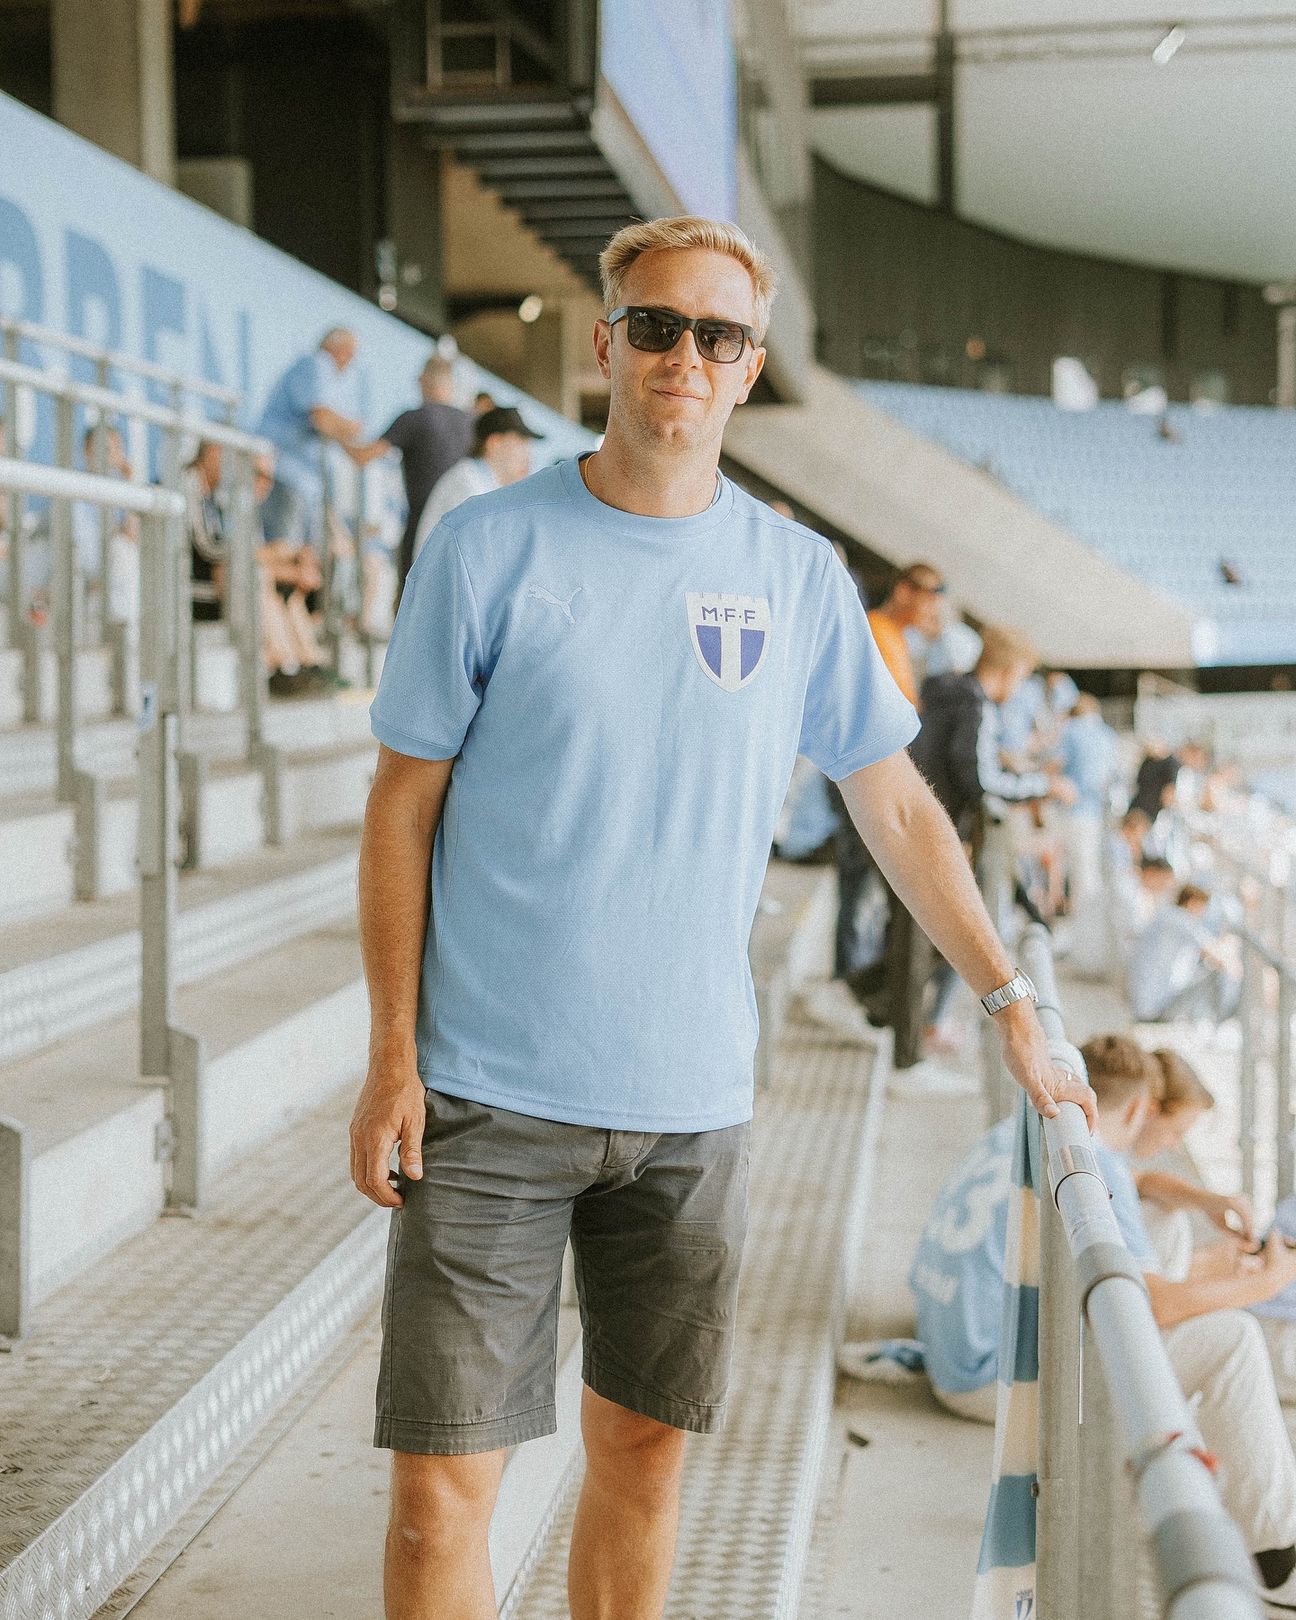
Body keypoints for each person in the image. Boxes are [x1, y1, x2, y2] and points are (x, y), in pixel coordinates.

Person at [349, 213, 1092, 1620]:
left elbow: (899, 808)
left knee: (643, 1457)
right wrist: (392, 1051)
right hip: (483, 1097)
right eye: (656, 325)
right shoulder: (489, 548)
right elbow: (401, 807)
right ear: (606, 343)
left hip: (690, 1108)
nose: (683, 355)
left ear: (750, 367)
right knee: (440, 1499)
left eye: (718, 335)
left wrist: (1011, 1002)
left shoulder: (797, 577)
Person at [911, 1034, 1296, 1609]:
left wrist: (1202, 1202)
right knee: (1234, 1338)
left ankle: (1181, 1440)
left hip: (955, 1351)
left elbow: (1139, 1188)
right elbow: (1156, 1306)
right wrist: (1267, 1282)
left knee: (1163, 1226)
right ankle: (1278, 1554)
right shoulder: (1102, 1164)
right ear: (1139, 1107)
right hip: (989, 1377)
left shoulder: (1034, 1125)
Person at [828, 562, 945, 996]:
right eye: (928, 597)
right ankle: (849, 985)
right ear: (904, 590)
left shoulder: (898, 637)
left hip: (873, 772)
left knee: (866, 885)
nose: (934, 609)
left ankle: (853, 985)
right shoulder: (876, 630)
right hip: (863, 774)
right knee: (861, 884)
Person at [345, 355, 474, 596]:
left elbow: (364, 456)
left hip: (421, 524)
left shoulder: (416, 417)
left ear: (424, 381)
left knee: (410, 597)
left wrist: (336, 435)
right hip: (463, 529)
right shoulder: (471, 425)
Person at [257, 327, 363, 545]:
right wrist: (351, 427)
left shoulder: (326, 377)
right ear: (335, 347)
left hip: (302, 484)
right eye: (349, 353)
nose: (350, 361)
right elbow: (322, 418)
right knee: (284, 550)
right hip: (285, 474)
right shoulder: (318, 363)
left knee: (302, 553)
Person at [408, 404, 542, 560]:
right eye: (521, 444)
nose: (528, 457)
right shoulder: (468, 484)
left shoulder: (483, 483)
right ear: (494, 443)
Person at [1057, 692, 1118, 974]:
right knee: (1088, 879)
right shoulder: (1108, 736)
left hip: (1071, 810)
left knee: (1070, 877)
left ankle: (1077, 942)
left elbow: (1057, 764)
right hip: (1096, 816)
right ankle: (1086, 943)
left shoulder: (1071, 731)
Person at [1128, 883, 1240, 1023]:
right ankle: (1216, 1023)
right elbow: (1214, 953)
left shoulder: (1167, 914)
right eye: (1203, 908)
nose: (1203, 914)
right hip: (1156, 1006)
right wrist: (1233, 965)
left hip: (1147, 1001)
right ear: (1193, 902)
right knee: (1217, 973)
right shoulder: (1181, 919)